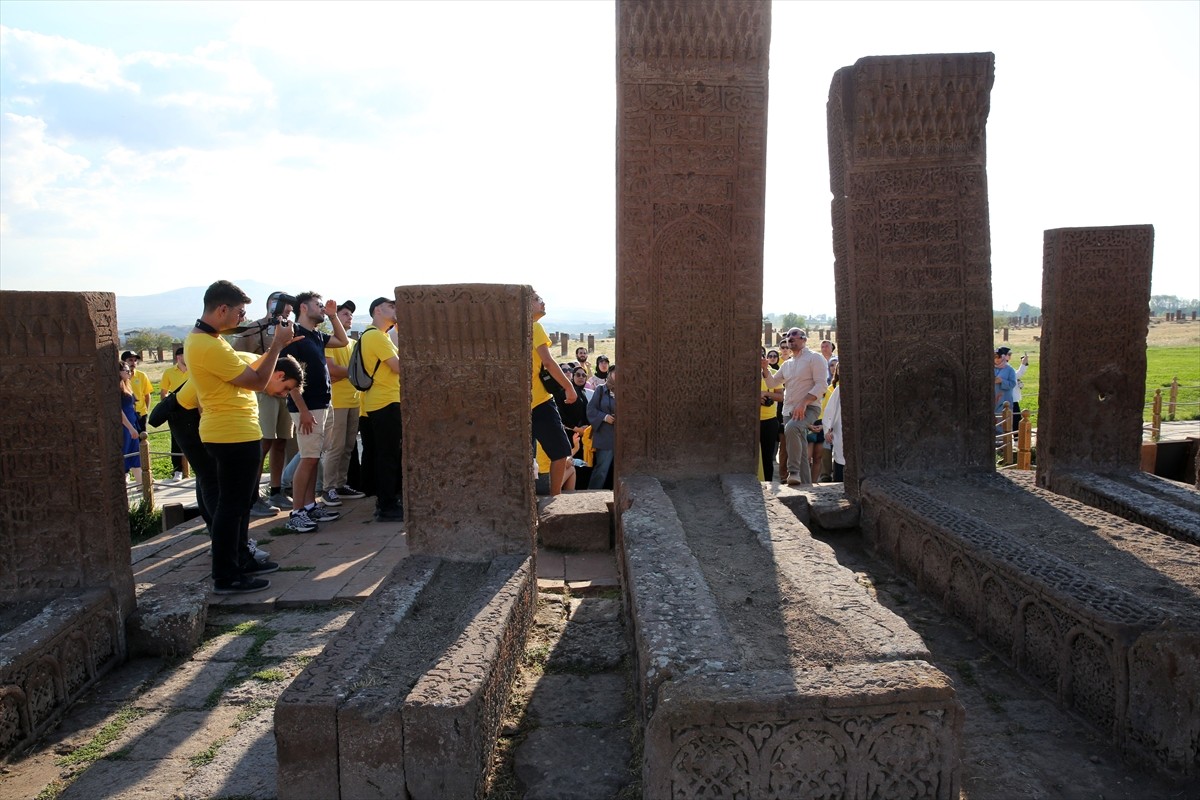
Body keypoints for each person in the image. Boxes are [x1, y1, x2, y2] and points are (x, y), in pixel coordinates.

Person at [185, 280, 298, 595]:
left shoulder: (211, 341)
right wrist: (275, 345)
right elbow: (259, 383)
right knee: (231, 506)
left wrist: (278, 348)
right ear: (222, 309)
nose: (242, 318)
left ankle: (241, 560)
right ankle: (226, 575)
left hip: (236, 430)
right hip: (230, 433)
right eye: (239, 312)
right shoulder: (207, 345)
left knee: (240, 504)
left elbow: (250, 373)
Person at [167, 353, 304, 566]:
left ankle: (227, 545)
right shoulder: (248, 364)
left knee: (212, 483)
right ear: (278, 374)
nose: (284, 395)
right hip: (188, 414)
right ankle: (230, 548)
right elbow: (207, 395)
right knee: (213, 484)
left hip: (201, 414)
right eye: (286, 388)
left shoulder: (258, 366)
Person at [280, 291, 349, 533]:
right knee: (308, 458)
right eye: (319, 306)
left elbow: (343, 341)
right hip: (307, 408)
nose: (322, 308)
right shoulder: (293, 336)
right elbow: (288, 377)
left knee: (314, 457)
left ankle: (309, 506)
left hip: (323, 404)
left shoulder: (317, 336)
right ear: (304, 308)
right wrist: (303, 410)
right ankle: (297, 513)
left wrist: (332, 316)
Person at [231, 291, 295, 516]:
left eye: (289, 312)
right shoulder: (255, 328)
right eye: (284, 310)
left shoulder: (289, 328)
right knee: (264, 443)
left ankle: (275, 490)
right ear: (272, 306)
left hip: (285, 392)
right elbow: (238, 358)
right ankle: (253, 496)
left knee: (281, 442)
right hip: (264, 393)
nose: (287, 315)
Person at [763, 329, 828, 486]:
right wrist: (765, 368)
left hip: (810, 408)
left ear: (804, 339)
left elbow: (822, 385)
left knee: (792, 428)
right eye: (787, 337)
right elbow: (772, 383)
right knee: (802, 451)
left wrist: (803, 403)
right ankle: (806, 486)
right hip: (788, 410)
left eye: (794, 335)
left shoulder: (815, 358)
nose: (789, 339)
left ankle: (793, 472)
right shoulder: (787, 364)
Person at [361, 297, 405, 521]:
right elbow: (398, 366)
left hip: (384, 401)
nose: (396, 310)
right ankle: (386, 505)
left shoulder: (381, 335)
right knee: (387, 455)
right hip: (384, 402)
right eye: (391, 307)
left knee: (390, 454)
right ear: (377, 310)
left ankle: (389, 500)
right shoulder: (376, 336)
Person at [531, 292, 576, 495]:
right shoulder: (534, 327)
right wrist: (568, 386)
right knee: (561, 452)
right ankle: (554, 499)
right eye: (537, 299)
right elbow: (548, 362)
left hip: (520, 403)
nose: (543, 302)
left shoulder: (514, 330)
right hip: (539, 401)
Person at [323, 300, 365, 506]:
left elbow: (346, 372)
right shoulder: (329, 342)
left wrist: (346, 373)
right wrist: (352, 372)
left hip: (354, 400)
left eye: (351, 315)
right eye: (346, 314)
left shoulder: (355, 343)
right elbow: (331, 371)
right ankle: (328, 487)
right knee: (335, 446)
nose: (350, 318)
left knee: (349, 446)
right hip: (337, 401)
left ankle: (340, 484)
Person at [159, 347, 188, 482]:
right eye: (185, 355)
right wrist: (168, 406)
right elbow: (163, 392)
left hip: (194, 409)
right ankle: (177, 470)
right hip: (176, 411)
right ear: (179, 357)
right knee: (176, 440)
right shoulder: (169, 372)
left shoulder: (194, 370)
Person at [586, 365, 616, 489]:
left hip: (623, 439)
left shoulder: (628, 389)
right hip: (605, 437)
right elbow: (591, 410)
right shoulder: (600, 390)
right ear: (610, 374)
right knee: (601, 470)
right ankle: (592, 495)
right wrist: (605, 417)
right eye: (615, 373)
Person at [759, 351, 783, 482]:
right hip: (752, 422)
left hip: (769, 421)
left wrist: (765, 394)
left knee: (767, 457)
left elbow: (780, 397)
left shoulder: (773, 376)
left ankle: (767, 483)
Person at [119, 364, 142, 484]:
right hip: (124, 426)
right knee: (125, 453)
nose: (129, 373)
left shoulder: (127, 385)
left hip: (132, 423)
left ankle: (141, 483)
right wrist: (129, 428)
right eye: (126, 371)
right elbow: (119, 411)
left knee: (135, 453)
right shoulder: (116, 388)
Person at [121, 351, 153, 432]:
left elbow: (147, 395)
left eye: (135, 360)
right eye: (130, 360)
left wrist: (146, 411)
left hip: (141, 413)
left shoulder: (142, 376)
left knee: (142, 439)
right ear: (124, 362)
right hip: (127, 414)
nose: (133, 363)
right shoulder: (120, 378)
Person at [823, 382, 846, 482]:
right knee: (841, 460)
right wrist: (827, 429)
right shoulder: (840, 388)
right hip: (842, 430)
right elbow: (830, 410)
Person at [994, 346, 1018, 422]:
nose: (997, 360)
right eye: (995, 357)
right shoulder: (992, 368)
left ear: (1003, 357)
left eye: (999, 357)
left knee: (1003, 422)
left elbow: (1012, 383)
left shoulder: (1010, 369)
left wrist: (1002, 381)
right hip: (994, 399)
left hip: (1004, 399)